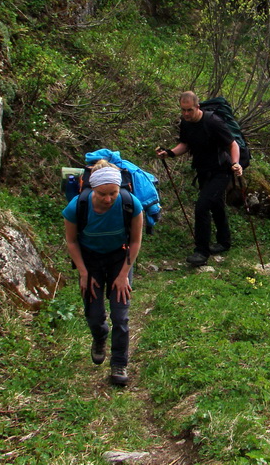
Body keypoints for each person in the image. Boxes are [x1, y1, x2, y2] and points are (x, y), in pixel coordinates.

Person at [62, 161, 143, 386]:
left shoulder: (130, 204)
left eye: (113, 193)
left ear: (120, 189)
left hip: (120, 258)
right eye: (102, 194)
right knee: (94, 314)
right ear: (93, 190)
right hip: (89, 260)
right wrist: (83, 273)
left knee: (121, 315)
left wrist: (123, 274)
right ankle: (99, 337)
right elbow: (71, 241)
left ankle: (119, 364)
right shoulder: (77, 206)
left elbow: (136, 241)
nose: (108, 199)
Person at [156, 91, 243, 265]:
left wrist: (236, 163)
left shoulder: (213, 122)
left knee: (202, 206)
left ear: (197, 106)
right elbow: (186, 144)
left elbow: (232, 144)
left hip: (221, 171)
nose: (186, 114)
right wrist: (170, 153)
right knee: (216, 205)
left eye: (189, 110)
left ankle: (201, 252)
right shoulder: (186, 123)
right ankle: (224, 242)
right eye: (183, 110)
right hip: (203, 171)